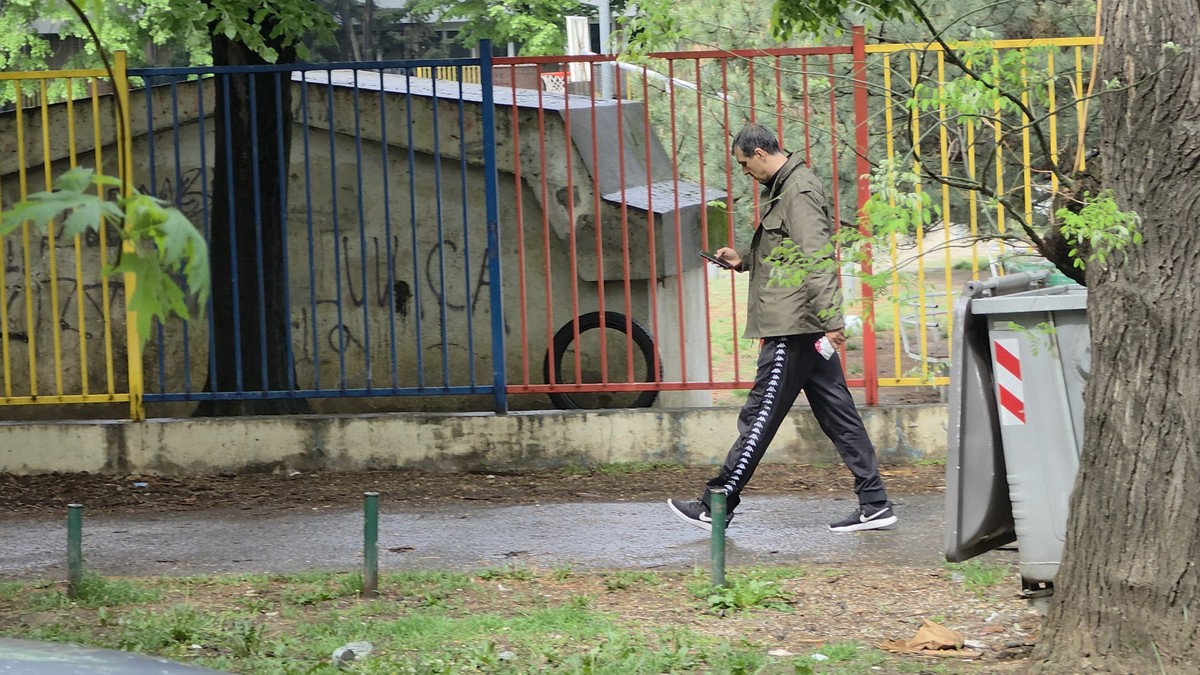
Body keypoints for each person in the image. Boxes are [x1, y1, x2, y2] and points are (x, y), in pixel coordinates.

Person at [667, 124, 896, 533]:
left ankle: (716, 504)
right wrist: (744, 259)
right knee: (840, 416)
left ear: (759, 153)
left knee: (759, 416)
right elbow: (785, 251)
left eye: (744, 164)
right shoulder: (784, 187)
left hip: (794, 327)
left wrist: (832, 321)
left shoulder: (798, 190)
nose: (744, 172)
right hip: (802, 324)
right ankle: (875, 503)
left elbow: (817, 257)